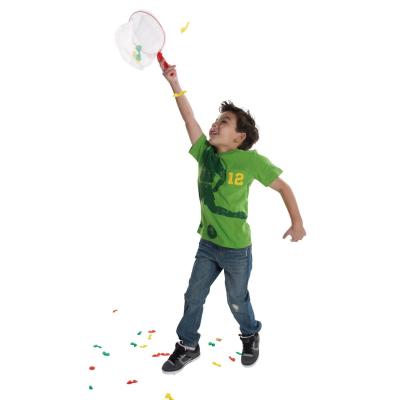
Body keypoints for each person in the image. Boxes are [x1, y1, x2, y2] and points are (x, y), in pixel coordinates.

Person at [158, 54, 306, 373]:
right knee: (193, 295)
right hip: (208, 245)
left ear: (239, 138)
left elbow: (283, 187)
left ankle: (250, 333)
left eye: (224, 121)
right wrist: (174, 84)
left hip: (237, 249)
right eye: (217, 120)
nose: (215, 124)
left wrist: (297, 222)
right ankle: (188, 345)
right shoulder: (205, 153)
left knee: (236, 299)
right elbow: (189, 120)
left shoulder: (251, 162)